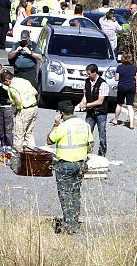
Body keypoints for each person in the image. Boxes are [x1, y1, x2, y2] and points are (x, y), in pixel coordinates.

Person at [47, 100, 93, 235]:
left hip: (65, 165)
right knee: (75, 193)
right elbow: (91, 145)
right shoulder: (84, 125)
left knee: (65, 194)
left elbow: (49, 141)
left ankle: (70, 225)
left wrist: (55, 125)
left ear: (61, 114)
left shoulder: (62, 127)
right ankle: (74, 221)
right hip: (80, 163)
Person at [1, 71, 38, 152]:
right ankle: (31, 151)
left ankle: (18, 153)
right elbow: (35, 92)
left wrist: (13, 104)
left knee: (19, 132)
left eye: (4, 82)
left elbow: (18, 100)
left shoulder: (12, 87)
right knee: (29, 132)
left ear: (7, 80)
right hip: (34, 108)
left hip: (24, 110)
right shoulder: (23, 81)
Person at [77, 64, 108, 157]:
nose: (88, 75)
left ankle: (102, 154)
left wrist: (87, 105)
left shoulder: (103, 84)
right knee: (86, 132)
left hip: (100, 112)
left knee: (102, 134)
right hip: (90, 112)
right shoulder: (87, 82)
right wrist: (82, 103)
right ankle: (86, 152)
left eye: (89, 74)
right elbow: (85, 95)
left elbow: (100, 101)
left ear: (95, 73)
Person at [0, 64, 14, 148]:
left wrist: (2, 85)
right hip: (1, 104)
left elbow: (11, 88)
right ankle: (3, 146)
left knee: (8, 130)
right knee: (1, 129)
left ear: (1, 69)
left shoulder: (8, 75)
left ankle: (10, 147)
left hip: (8, 105)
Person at [112, 53, 137, 126]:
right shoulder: (134, 67)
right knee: (130, 105)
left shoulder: (119, 67)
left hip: (122, 86)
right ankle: (131, 123)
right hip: (131, 86)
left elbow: (116, 78)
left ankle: (115, 120)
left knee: (119, 104)